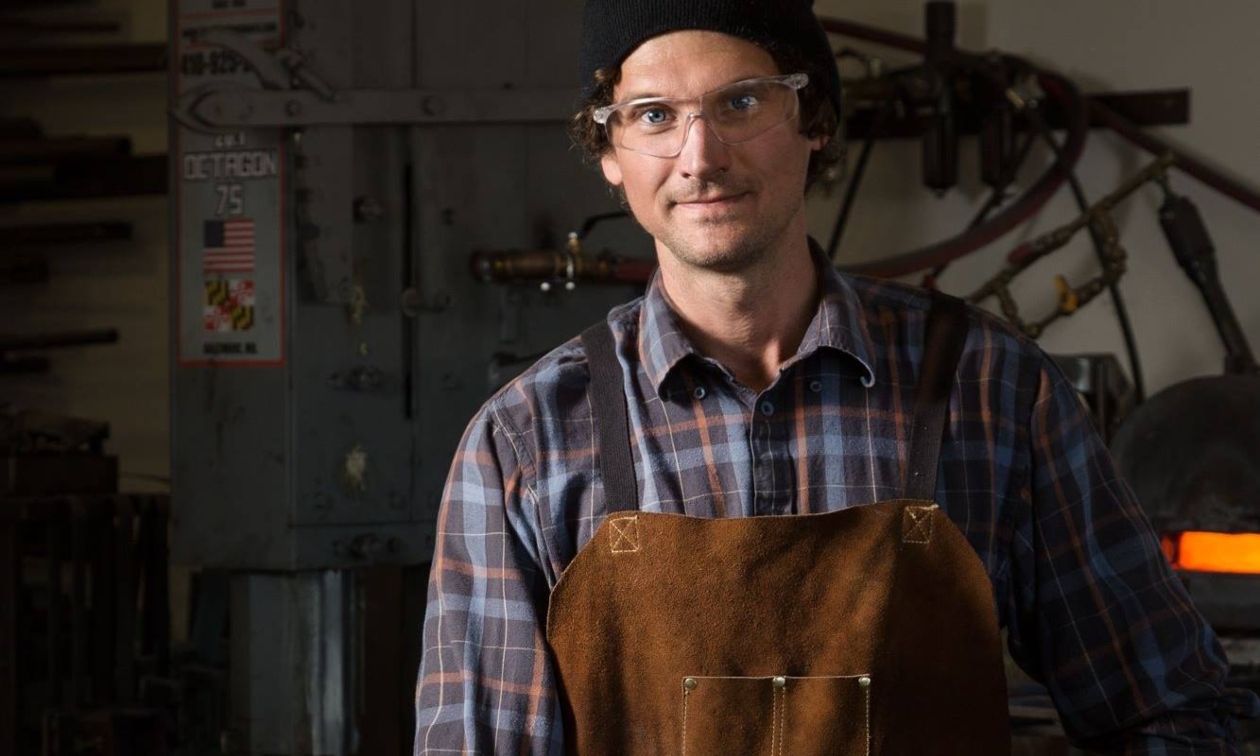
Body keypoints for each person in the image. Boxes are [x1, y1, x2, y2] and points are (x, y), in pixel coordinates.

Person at [414, 1, 1259, 753]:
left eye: (740, 102)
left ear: (813, 117)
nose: (698, 155)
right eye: (653, 114)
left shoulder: (994, 392)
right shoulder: (525, 442)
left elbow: (1172, 714)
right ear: (609, 151)